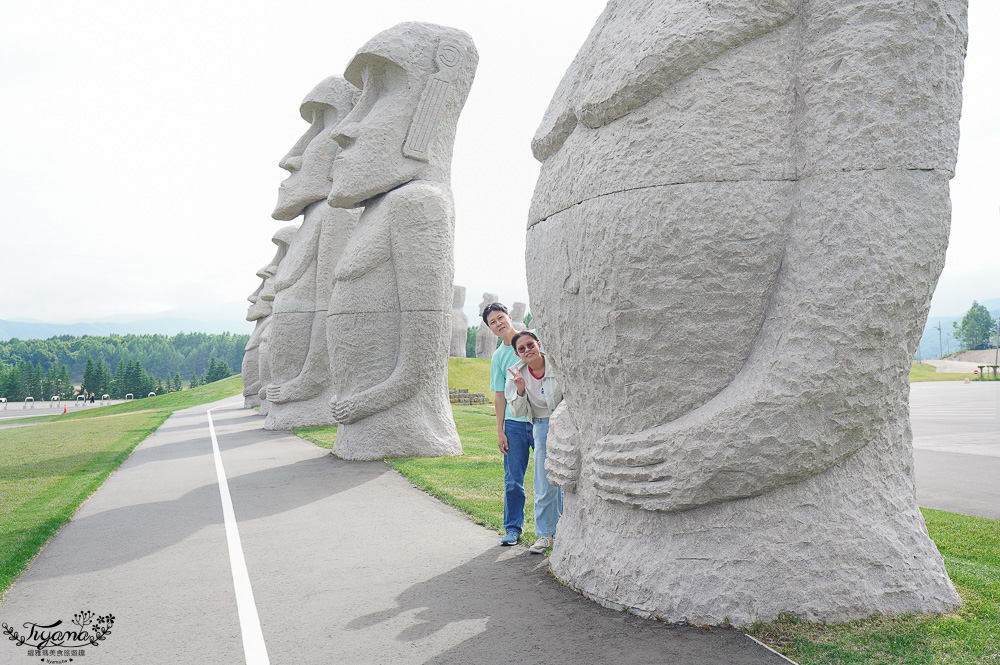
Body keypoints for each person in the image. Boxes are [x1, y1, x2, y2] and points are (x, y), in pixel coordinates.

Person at [505, 330, 564, 554]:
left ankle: (566, 528)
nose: (527, 350)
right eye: (522, 349)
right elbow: (517, 410)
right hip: (540, 425)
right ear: (518, 354)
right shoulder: (517, 374)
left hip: (564, 421)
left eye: (530, 345)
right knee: (543, 479)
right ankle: (545, 534)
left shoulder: (557, 365)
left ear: (539, 344)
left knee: (567, 478)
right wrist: (520, 389)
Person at [485, 302, 533, 546]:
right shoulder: (498, 356)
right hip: (514, 425)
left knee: (551, 477)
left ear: (509, 317)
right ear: (490, 329)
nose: (498, 324)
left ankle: (555, 528)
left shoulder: (531, 342)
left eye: (500, 318)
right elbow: (499, 395)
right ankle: (513, 528)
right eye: (492, 322)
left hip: (539, 420)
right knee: (513, 480)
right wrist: (500, 431)